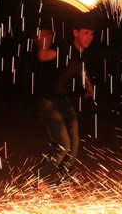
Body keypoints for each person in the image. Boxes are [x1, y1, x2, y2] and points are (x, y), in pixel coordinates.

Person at [34, 17, 95, 184]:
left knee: (74, 144)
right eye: (86, 33)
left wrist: (89, 86)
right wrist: (43, 42)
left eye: (92, 34)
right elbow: (44, 56)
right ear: (76, 33)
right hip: (48, 101)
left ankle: (61, 181)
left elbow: (81, 68)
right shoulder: (64, 48)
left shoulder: (80, 53)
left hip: (63, 101)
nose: (89, 37)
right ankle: (42, 179)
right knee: (63, 144)